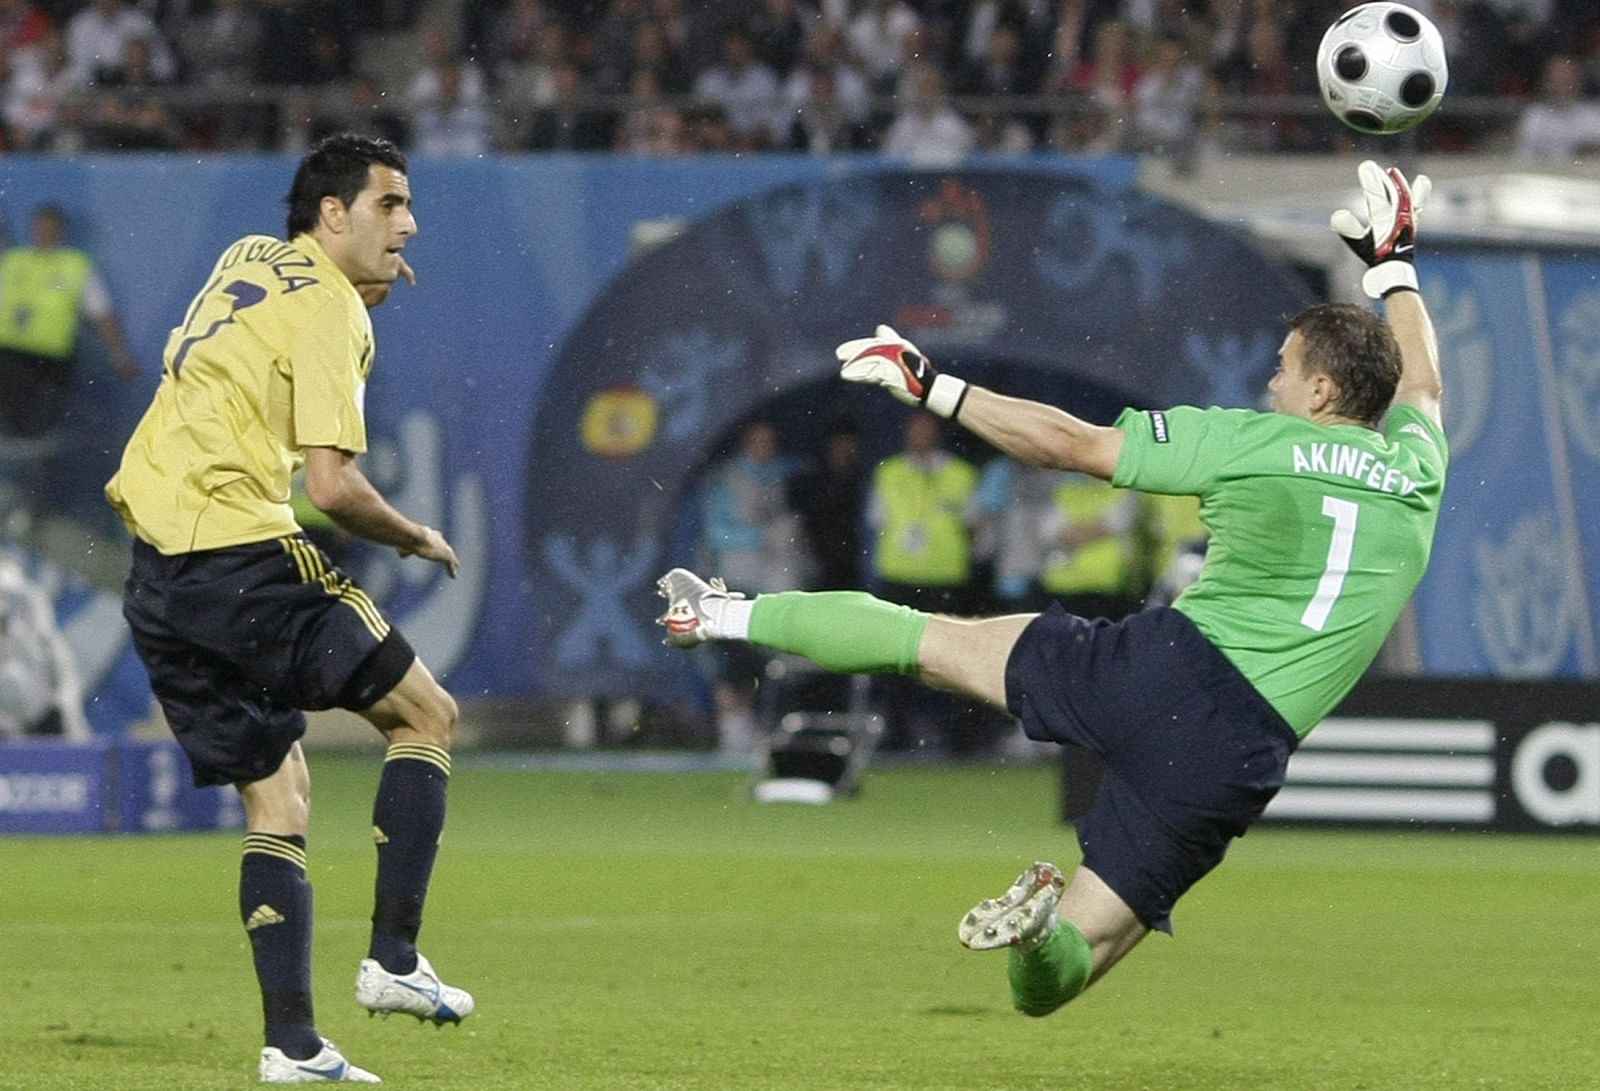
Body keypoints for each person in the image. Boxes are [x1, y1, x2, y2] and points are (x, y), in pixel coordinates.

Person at [658, 160, 1447, 1017]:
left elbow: (1070, 443)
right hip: (1238, 751)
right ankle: (1038, 932)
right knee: (1062, 974)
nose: (1271, 384)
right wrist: (1395, 266)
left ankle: (721, 610)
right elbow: (1425, 384)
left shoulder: (1248, 442)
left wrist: (937, 386)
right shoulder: (1417, 468)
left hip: (1163, 665)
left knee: (920, 639)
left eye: (1285, 371)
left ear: (1322, 390)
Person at [105, 133, 472, 1083]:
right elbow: (334, 486)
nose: (410, 223)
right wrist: (413, 535)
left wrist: (362, 287)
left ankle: (294, 1044)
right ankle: (394, 959)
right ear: (335, 214)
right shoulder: (335, 314)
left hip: (156, 573)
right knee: (427, 714)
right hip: (239, 553)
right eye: (390, 204)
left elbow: (251, 349)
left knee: (277, 794)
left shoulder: (247, 255)